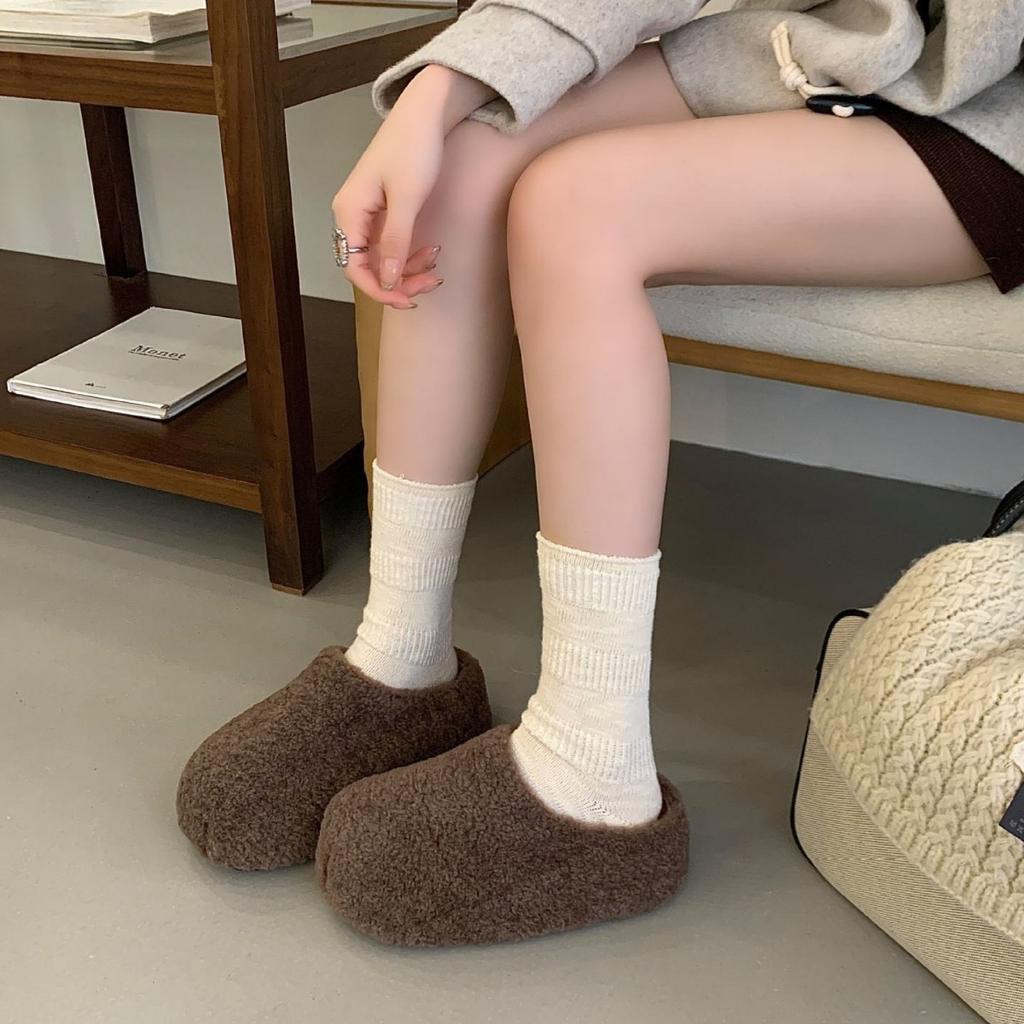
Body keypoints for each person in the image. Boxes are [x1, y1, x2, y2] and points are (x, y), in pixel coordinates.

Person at [177, 0, 1024, 945]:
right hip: (809, 45)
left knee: (578, 206)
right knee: (459, 158)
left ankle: (594, 768)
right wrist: (432, 98)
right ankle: (403, 661)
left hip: (988, 108)